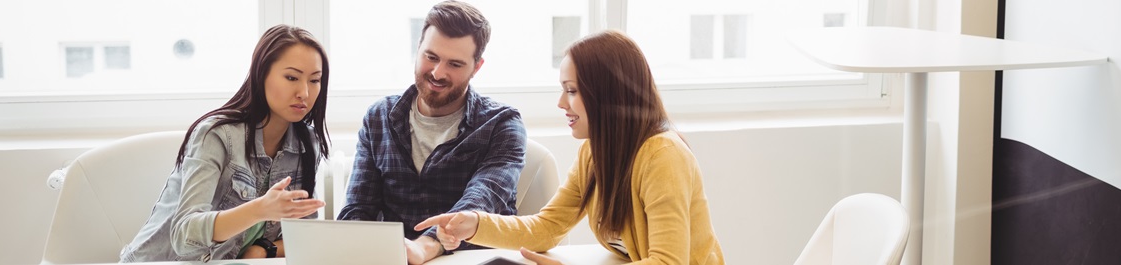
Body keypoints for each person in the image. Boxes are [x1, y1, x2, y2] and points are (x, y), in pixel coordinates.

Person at [416, 30, 725, 265]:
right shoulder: (594, 152)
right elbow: (548, 227)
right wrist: (474, 224)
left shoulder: (662, 156)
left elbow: (668, 262)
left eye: (572, 91)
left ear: (609, 95)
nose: (562, 103)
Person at [120, 24, 331, 262]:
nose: (304, 92)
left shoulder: (307, 144)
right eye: (291, 77)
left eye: (315, 80)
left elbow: (304, 236)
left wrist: (264, 249)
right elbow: (184, 234)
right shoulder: (217, 135)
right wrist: (260, 209)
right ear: (261, 75)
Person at [336, 1, 526, 264]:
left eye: (455, 64)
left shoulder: (502, 124)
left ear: (477, 67)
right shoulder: (378, 118)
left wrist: (428, 245)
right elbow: (359, 209)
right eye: (431, 57)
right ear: (418, 49)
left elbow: (481, 200)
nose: (438, 73)